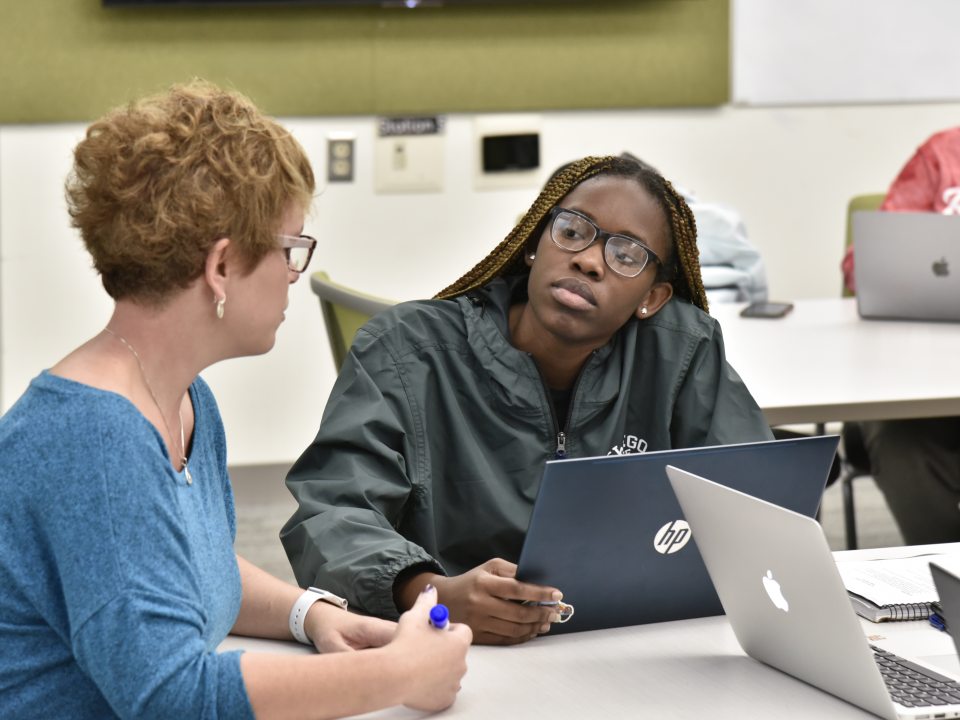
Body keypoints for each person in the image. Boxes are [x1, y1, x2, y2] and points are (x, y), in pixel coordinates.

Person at [0, 80, 470, 719]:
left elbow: (184, 575)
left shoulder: (186, 398)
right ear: (221, 268)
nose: (294, 276)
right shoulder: (94, 438)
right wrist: (398, 674)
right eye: (290, 249)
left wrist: (313, 615)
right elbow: (172, 697)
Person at [281, 155, 773, 645]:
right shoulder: (408, 349)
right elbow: (332, 512)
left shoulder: (681, 353)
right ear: (535, 244)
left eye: (626, 256)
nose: (588, 260)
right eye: (574, 232)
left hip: (627, 645)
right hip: (454, 646)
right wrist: (431, 591)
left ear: (654, 296)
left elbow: (762, 508)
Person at [840, 127, 960, 544]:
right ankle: (948, 575)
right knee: (899, 434)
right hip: (918, 373)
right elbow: (863, 264)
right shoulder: (942, 155)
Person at [619, 152, 768, 304]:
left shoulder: (712, 218)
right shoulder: (715, 217)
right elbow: (753, 268)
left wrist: (756, 306)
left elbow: (751, 265)